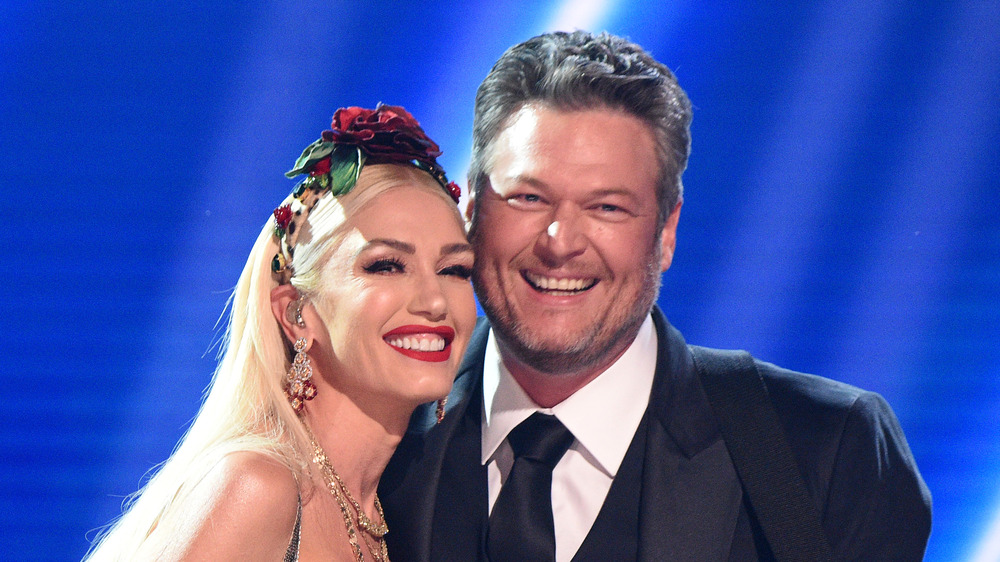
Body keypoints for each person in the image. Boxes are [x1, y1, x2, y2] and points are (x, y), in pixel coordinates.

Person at [379, 31, 932, 561]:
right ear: (471, 210)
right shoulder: (374, 427)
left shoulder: (826, 450)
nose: (560, 244)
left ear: (666, 232)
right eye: (527, 197)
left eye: (607, 207)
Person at [86, 105, 477, 561]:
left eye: (453, 269)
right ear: (296, 314)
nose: (434, 301)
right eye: (387, 265)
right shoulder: (258, 487)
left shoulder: (385, 512)